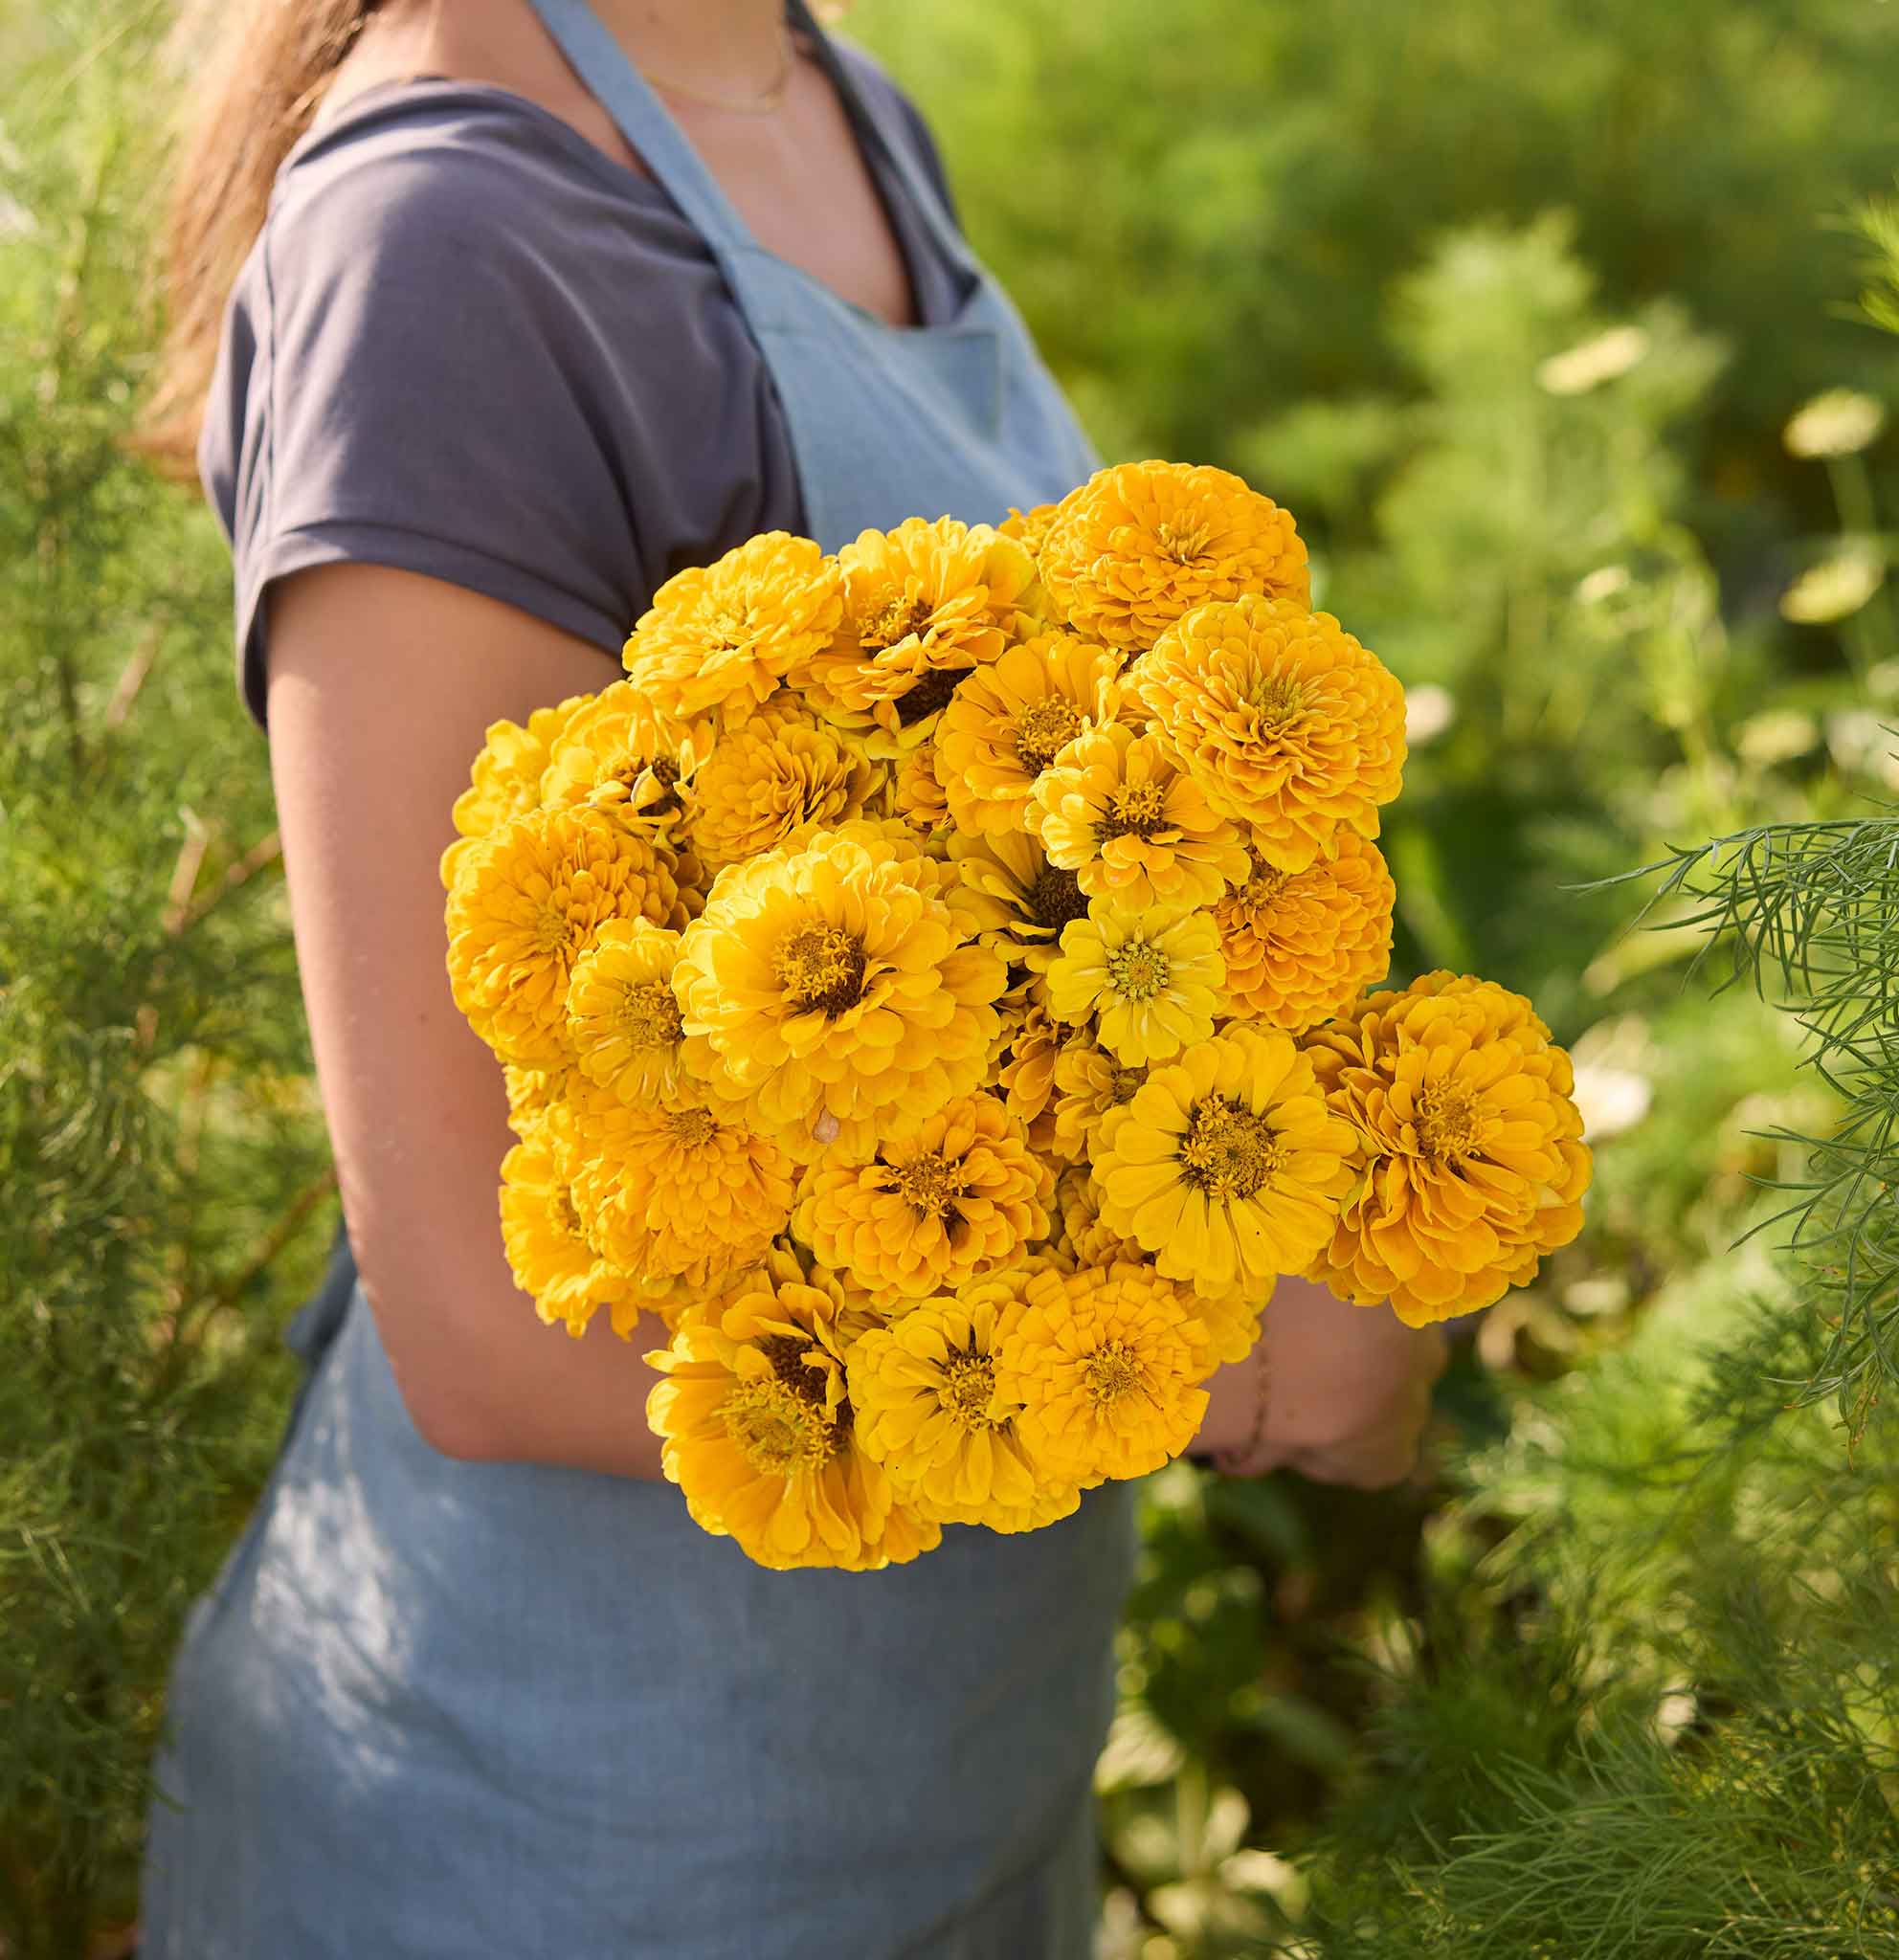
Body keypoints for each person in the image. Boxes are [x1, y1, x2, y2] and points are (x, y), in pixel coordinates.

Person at [136, 2, 1447, 1952]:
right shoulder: (441, 244)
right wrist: (1241, 1356)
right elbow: (489, 1319)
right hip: (579, 1854)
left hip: (953, 1807)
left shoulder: (824, 97)